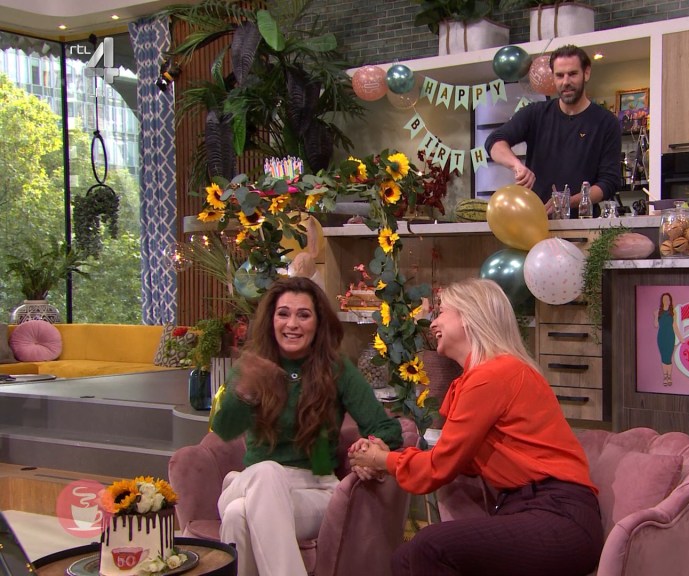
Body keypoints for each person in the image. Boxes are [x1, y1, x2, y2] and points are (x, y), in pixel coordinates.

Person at [349, 278, 603, 576]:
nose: (433, 323)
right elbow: (454, 461)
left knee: (428, 546)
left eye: (442, 312)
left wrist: (381, 459)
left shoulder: (494, 375)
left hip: (559, 515)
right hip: (522, 509)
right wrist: (386, 458)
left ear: (469, 317)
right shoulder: (481, 378)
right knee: (404, 559)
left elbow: (438, 467)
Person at [211, 276, 403, 576]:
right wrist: (245, 392)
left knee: (237, 514)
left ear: (318, 323)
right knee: (266, 473)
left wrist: (372, 447)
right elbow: (224, 428)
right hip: (253, 481)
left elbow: (386, 428)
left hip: (314, 489)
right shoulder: (253, 367)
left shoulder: (337, 369)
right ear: (271, 320)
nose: (292, 324)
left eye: (303, 315)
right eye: (283, 314)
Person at [485, 44, 621, 216]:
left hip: (583, 223)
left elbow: (609, 182)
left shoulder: (606, 122)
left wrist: (567, 202)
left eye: (572, 74)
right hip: (537, 220)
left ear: (586, 73)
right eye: (559, 75)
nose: (566, 82)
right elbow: (494, 142)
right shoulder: (535, 114)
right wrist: (516, 165)